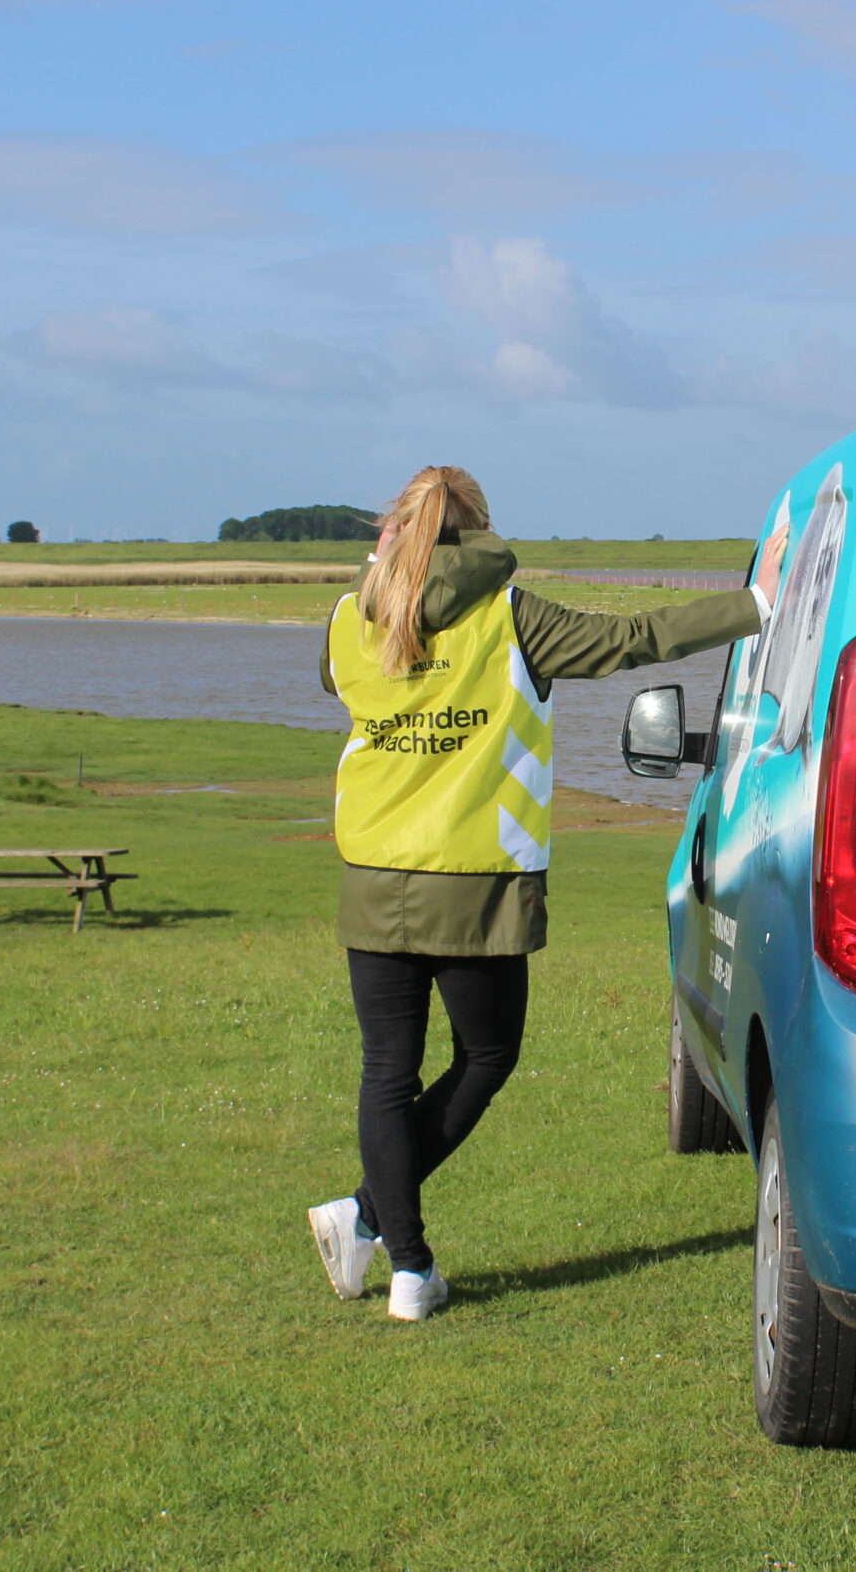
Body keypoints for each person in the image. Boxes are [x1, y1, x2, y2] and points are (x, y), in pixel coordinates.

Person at [308, 465, 788, 1321]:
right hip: (475, 884)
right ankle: (389, 1240)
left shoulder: (352, 617)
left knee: (386, 1071)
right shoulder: (509, 616)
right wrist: (756, 603)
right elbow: (634, 637)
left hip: (374, 876)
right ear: (479, 531)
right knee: (486, 1056)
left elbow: (334, 678)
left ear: (396, 532)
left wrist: (375, 577)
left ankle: (390, 1242)